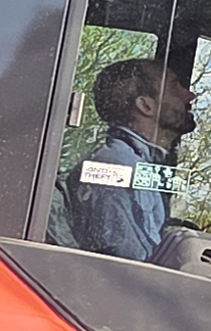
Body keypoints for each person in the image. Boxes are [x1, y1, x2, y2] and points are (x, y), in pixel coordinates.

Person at [60, 53, 195, 261]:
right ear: (145, 106)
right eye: (175, 87)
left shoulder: (141, 166)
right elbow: (128, 262)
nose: (189, 96)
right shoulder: (116, 167)